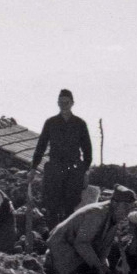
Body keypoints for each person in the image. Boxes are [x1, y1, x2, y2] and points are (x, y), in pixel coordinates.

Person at [44, 185, 136, 274]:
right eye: (125, 206)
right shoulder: (96, 213)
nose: (127, 211)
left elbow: (105, 247)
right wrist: (98, 267)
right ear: (114, 203)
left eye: (130, 207)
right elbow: (81, 243)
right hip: (61, 251)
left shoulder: (114, 217)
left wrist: (104, 267)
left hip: (77, 253)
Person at [29, 89, 92, 229]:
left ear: (72, 103)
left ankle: (66, 237)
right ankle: (52, 239)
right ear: (58, 103)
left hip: (73, 170)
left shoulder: (80, 124)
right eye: (61, 102)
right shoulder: (51, 123)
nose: (64, 105)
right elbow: (41, 146)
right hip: (55, 169)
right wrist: (33, 168)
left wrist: (85, 172)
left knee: (70, 206)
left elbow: (87, 150)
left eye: (66, 102)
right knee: (52, 206)